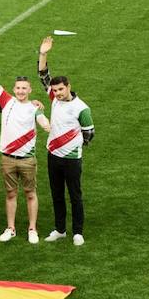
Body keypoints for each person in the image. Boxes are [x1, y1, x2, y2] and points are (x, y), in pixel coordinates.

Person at [0, 48, 50, 243]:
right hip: (7, 159)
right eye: (18, 88)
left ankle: (32, 229)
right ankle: (10, 228)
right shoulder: (7, 102)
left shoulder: (34, 107)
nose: (21, 91)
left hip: (27, 159)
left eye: (24, 88)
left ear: (30, 90)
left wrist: (47, 125)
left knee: (31, 194)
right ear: (14, 89)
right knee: (10, 194)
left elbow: (42, 120)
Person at [43, 68, 95, 245]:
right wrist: (43, 54)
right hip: (53, 156)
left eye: (60, 89)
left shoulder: (81, 108)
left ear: (68, 87)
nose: (57, 93)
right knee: (56, 194)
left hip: (72, 160)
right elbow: (43, 76)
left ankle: (78, 232)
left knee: (75, 195)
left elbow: (89, 133)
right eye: (55, 90)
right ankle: (60, 230)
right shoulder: (54, 100)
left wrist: (73, 145)